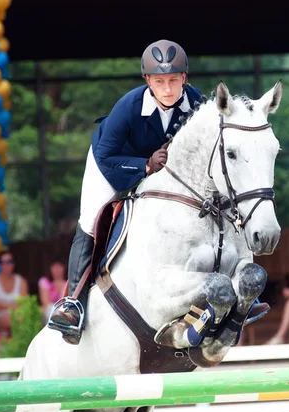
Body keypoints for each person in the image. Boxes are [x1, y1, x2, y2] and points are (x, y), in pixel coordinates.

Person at [48, 39, 205, 345]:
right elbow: (106, 156)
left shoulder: (196, 103)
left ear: (184, 78)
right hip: (114, 163)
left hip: (164, 169)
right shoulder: (129, 107)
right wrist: (145, 166)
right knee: (91, 219)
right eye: (159, 81)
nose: (168, 89)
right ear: (148, 81)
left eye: (174, 80)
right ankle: (73, 304)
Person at [0, 250, 29, 332]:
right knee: (17, 317)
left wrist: (4, 305)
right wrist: (13, 306)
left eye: (10, 261)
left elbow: (25, 303)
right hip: (0, 317)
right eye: (4, 262)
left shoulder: (21, 281)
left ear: (14, 264)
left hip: (19, 314)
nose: (7, 264)